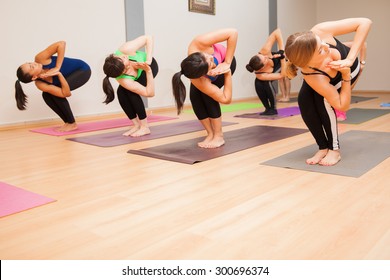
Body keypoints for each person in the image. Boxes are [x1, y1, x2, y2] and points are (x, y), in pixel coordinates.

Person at [285, 18, 371, 166]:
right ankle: (323, 147)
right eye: (320, 50)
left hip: (350, 69)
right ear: (309, 62)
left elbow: (365, 22)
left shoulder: (320, 30)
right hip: (322, 76)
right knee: (304, 100)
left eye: (321, 42)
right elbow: (341, 105)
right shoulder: (312, 75)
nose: (325, 46)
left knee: (322, 101)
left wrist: (348, 66)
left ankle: (334, 150)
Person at [172, 28, 238, 148]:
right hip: (205, 77)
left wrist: (227, 66)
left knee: (208, 97)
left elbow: (233, 32)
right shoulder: (199, 79)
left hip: (227, 60)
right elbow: (224, 98)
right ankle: (210, 134)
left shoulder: (199, 42)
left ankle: (218, 136)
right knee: (195, 97)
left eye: (209, 58)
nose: (213, 62)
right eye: (211, 65)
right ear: (203, 74)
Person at [15, 41, 91, 132]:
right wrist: (59, 74)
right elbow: (65, 94)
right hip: (65, 77)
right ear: (34, 77)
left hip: (82, 70)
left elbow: (61, 44)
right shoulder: (40, 84)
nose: (33, 64)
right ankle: (68, 122)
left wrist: (57, 68)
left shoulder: (40, 58)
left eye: (29, 63)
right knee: (46, 95)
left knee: (54, 94)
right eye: (32, 67)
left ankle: (72, 123)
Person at [103, 35, 158, 137]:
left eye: (121, 57)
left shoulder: (125, 50)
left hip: (150, 66)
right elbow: (148, 93)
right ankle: (137, 125)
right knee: (121, 92)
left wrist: (148, 64)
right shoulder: (123, 79)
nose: (124, 56)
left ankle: (145, 127)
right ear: (123, 71)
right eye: (124, 61)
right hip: (134, 76)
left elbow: (148, 38)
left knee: (130, 92)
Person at [246, 28, 287, 115]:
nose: (265, 56)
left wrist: (281, 52)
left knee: (267, 83)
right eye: (264, 59)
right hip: (277, 65)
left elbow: (277, 31)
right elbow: (281, 76)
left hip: (283, 63)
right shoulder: (260, 74)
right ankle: (267, 108)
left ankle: (273, 108)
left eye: (262, 56)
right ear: (262, 67)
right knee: (258, 83)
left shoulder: (264, 51)